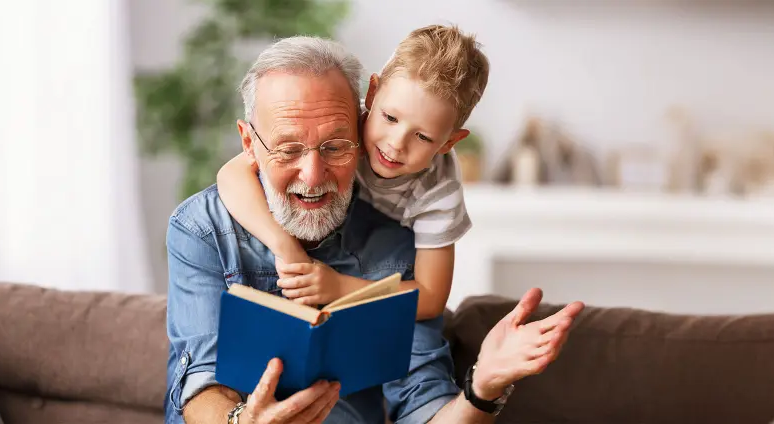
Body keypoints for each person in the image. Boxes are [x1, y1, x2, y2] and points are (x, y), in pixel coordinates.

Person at [164, 35, 585, 424]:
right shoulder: (202, 230)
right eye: (289, 149)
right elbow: (199, 382)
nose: (312, 176)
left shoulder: (405, 232)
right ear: (249, 143)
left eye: (335, 147)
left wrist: (482, 387)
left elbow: (423, 398)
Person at [215, 24, 486, 322]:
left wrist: (339, 288)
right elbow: (231, 174)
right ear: (372, 94)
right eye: (390, 117)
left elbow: (431, 298)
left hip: (376, 265)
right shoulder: (340, 130)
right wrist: (288, 250)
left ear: (449, 142)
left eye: (423, 137)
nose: (395, 144)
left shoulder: (438, 191)